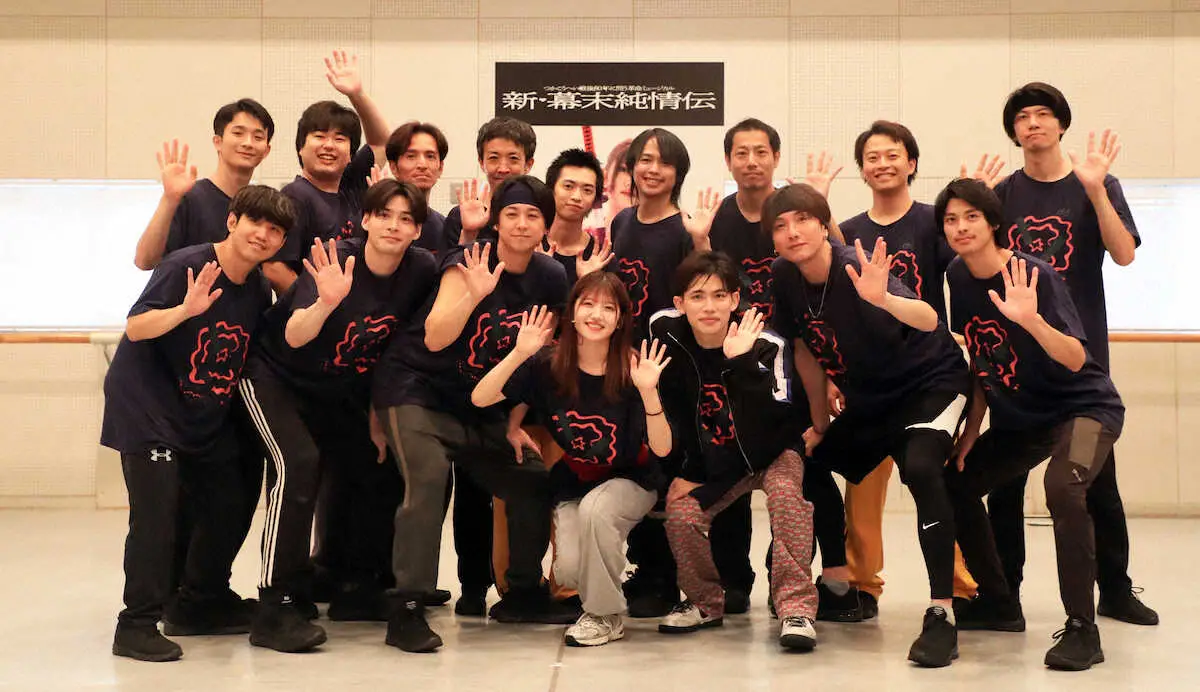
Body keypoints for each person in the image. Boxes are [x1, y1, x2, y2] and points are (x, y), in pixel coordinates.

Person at [767, 182, 972, 668]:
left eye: (803, 219)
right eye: (780, 225)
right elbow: (804, 350)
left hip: (931, 385)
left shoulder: (852, 265)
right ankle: (837, 581)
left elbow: (928, 319)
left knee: (921, 468)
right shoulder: (784, 275)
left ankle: (942, 612)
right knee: (805, 458)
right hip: (874, 398)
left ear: (824, 225)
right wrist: (819, 424)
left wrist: (885, 299)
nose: (792, 232)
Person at [372, 175, 575, 653]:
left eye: (533, 215)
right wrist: (474, 294)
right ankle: (406, 608)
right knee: (428, 479)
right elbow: (435, 336)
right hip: (416, 390)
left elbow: (537, 358)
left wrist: (513, 422)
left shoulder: (550, 276)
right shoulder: (470, 260)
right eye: (511, 214)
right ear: (496, 221)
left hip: (480, 403)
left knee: (531, 475)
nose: (521, 224)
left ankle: (522, 593)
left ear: (546, 225)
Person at [982, 82, 1156, 626]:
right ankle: (1004, 595)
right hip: (1018, 369)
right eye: (1023, 117)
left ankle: (1116, 590)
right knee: (1004, 484)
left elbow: (1124, 255)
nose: (1033, 123)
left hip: (1083, 370)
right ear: (1014, 132)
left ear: (1061, 125)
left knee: (1093, 480)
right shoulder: (1001, 195)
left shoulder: (1095, 184)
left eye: (1043, 114)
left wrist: (1097, 191)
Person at [238, 180, 437, 652]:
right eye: (383, 215)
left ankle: (354, 583)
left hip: (339, 388)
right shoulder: (334, 258)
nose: (393, 226)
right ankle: (276, 604)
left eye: (406, 219)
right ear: (365, 220)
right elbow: (293, 336)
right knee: (298, 465)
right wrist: (327, 301)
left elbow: (397, 349)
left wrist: (377, 413)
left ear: (417, 231)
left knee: (378, 461)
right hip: (275, 376)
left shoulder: (421, 270)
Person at [937, 177, 1127, 670]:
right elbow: (980, 356)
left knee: (1063, 486)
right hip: (1024, 419)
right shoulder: (958, 275)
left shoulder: (1032, 274)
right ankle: (999, 603)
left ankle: (1083, 629)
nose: (961, 227)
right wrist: (970, 431)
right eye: (951, 220)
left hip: (1086, 411)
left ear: (993, 223)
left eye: (971, 217)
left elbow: (1075, 358)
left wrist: (1031, 320)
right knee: (956, 480)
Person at [102, 185, 294, 662]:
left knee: (231, 497)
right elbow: (136, 327)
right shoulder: (187, 265)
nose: (263, 234)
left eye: (275, 230)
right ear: (232, 221)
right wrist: (185, 310)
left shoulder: (257, 287)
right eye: (256, 222)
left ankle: (201, 600)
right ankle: (136, 624)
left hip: (200, 414)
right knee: (157, 516)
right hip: (147, 408)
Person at [470, 272, 670, 647]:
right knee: (570, 572)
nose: (596, 314)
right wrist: (519, 353)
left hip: (632, 479)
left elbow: (662, 449)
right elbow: (481, 397)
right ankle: (603, 578)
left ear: (621, 320)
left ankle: (605, 615)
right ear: (573, 313)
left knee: (597, 511)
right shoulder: (548, 366)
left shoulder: (633, 369)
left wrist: (649, 393)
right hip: (575, 480)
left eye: (608, 307)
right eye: (588, 304)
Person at [836, 120, 980, 619]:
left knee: (933, 481)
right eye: (872, 157)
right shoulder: (847, 232)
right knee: (861, 487)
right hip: (871, 382)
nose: (883, 164)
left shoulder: (932, 223)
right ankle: (862, 585)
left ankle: (961, 587)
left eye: (893, 154)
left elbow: (967, 273)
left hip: (927, 377)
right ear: (861, 169)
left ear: (911, 162)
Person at [708, 119, 845, 615]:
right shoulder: (719, 217)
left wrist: (824, 206)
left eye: (761, 151)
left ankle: (796, 579)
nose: (751, 161)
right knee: (732, 472)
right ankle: (733, 581)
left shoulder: (796, 210)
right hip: (738, 365)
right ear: (729, 161)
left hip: (798, 363)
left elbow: (838, 262)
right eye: (741, 152)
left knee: (804, 474)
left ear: (775, 158)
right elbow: (704, 283)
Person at [649, 252, 820, 651]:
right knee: (681, 512)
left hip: (773, 452)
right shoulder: (665, 332)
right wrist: (693, 471)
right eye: (697, 296)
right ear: (680, 303)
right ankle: (704, 602)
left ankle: (796, 609)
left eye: (719, 296)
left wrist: (742, 363)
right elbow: (677, 410)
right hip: (719, 458)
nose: (709, 307)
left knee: (787, 497)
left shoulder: (767, 344)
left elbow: (779, 419)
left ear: (734, 300)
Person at [607, 127, 729, 618]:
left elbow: (706, 287)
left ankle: (687, 579)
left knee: (676, 467)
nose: (652, 169)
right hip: (628, 366)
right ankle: (648, 572)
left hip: (675, 368)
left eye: (663, 161)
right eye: (644, 159)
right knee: (640, 465)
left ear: (678, 172)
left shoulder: (685, 228)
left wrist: (700, 241)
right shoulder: (621, 222)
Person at [262, 50, 390, 296]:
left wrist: (357, 95)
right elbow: (275, 268)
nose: (329, 145)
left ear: (351, 153)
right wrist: (317, 307)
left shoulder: (352, 185)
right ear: (301, 147)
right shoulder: (295, 196)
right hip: (319, 312)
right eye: (319, 136)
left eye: (339, 139)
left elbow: (383, 143)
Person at [134, 98, 276, 270]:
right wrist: (169, 199)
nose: (248, 143)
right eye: (238, 133)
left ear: (266, 150)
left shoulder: (264, 207)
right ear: (218, 142)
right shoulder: (190, 196)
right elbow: (144, 261)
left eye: (258, 137)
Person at [442, 117, 537, 248]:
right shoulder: (460, 216)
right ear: (482, 162)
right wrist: (469, 233)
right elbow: (448, 260)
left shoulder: (539, 216)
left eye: (513, 158)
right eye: (494, 158)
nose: (503, 168)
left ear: (528, 164)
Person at [543, 148, 614, 286]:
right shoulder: (529, 245)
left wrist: (587, 281)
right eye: (568, 186)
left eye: (587, 190)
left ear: (595, 199)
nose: (576, 197)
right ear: (551, 189)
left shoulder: (601, 258)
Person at [384, 120, 451, 256]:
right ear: (393, 167)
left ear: (440, 167)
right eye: (411, 156)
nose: (422, 165)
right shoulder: (376, 222)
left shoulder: (445, 227)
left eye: (430, 156)